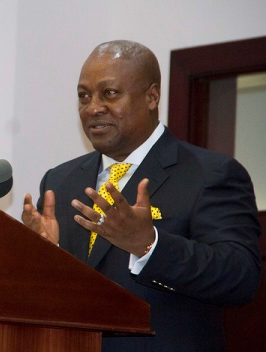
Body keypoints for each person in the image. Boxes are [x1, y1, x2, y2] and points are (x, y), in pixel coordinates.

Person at [22, 40, 262, 351]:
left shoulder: (210, 174)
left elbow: (240, 279)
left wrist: (149, 245)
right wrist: (41, 257)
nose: (92, 107)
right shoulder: (60, 180)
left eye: (109, 93)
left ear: (152, 96)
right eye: (84, 96)